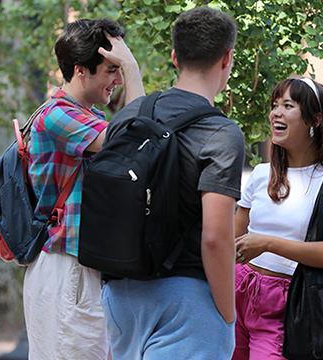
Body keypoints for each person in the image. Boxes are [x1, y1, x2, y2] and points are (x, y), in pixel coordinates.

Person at [101, 7, 244, 359]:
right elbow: (215, 236)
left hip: (120, 296)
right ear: (227, 59)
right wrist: (227, 314)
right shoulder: (221, 133)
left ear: (174, 56)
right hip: (187, 300)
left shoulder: (129, 117)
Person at [23, 19, 144, 359]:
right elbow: (138, 141)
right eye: (111, 69)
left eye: (119, 70)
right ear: (81, 70)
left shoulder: (85, 117)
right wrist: (133, 69)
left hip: (82, 269)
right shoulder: (58, 115)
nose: (117, 80)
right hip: (68, 271)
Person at [232, 77, 323, 359]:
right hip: (237, 291)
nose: (276, 113)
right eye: (274, 106)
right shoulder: (261, 174)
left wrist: (268, 244)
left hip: (286, 302)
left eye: (288, 105)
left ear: (315, 119)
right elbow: (232, 242)